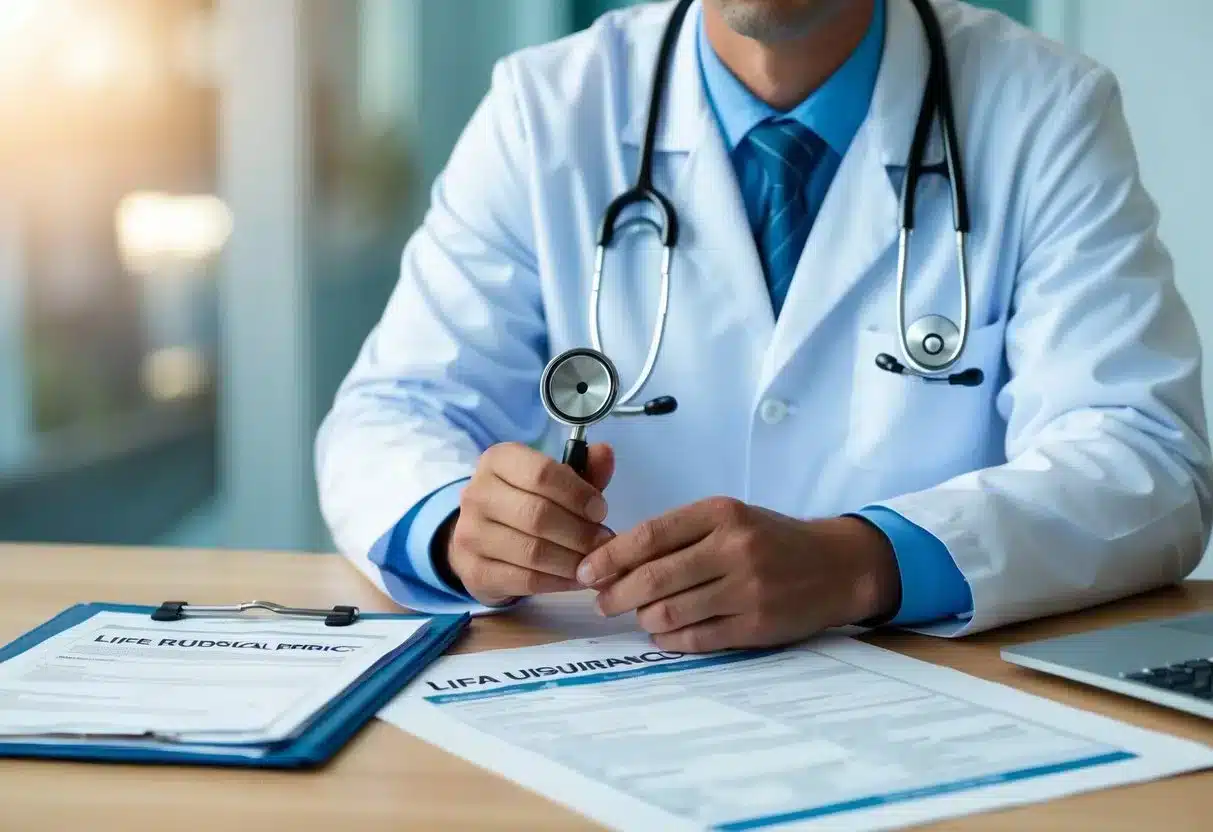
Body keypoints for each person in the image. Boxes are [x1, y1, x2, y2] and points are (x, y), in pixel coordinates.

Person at [315, 0, 1212, 652]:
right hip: (615, 682)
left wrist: (862, 563)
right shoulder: (548, 108)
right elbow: (389, 413)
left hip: (936, 702)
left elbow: (1143, 459)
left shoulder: (1043, 108)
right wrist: (455, 526)